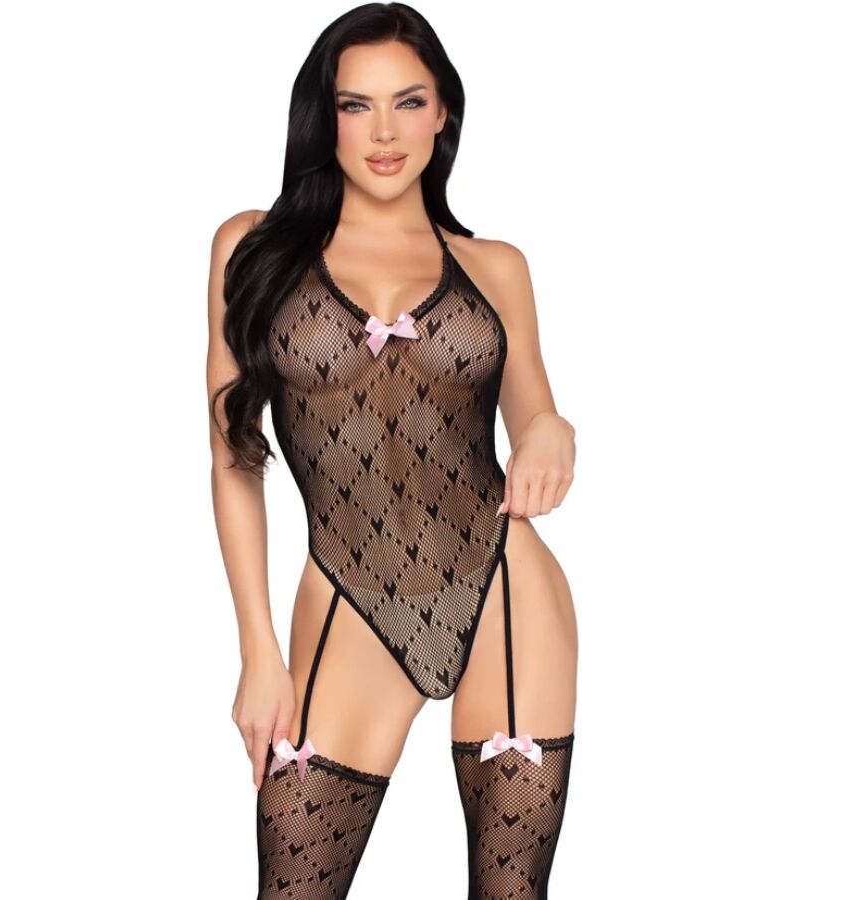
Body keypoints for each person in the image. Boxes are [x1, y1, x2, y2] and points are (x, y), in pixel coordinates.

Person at [207, 5, 578, 897]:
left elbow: (535, 411)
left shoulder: (494, 265)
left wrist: (551, 432)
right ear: (323, 117)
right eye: (355, 105)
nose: (383, 132)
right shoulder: (251, 247)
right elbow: (233, 459)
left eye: (408, 102)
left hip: (503, 586)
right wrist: (258, 649)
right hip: (346, 594)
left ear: (443, 112)